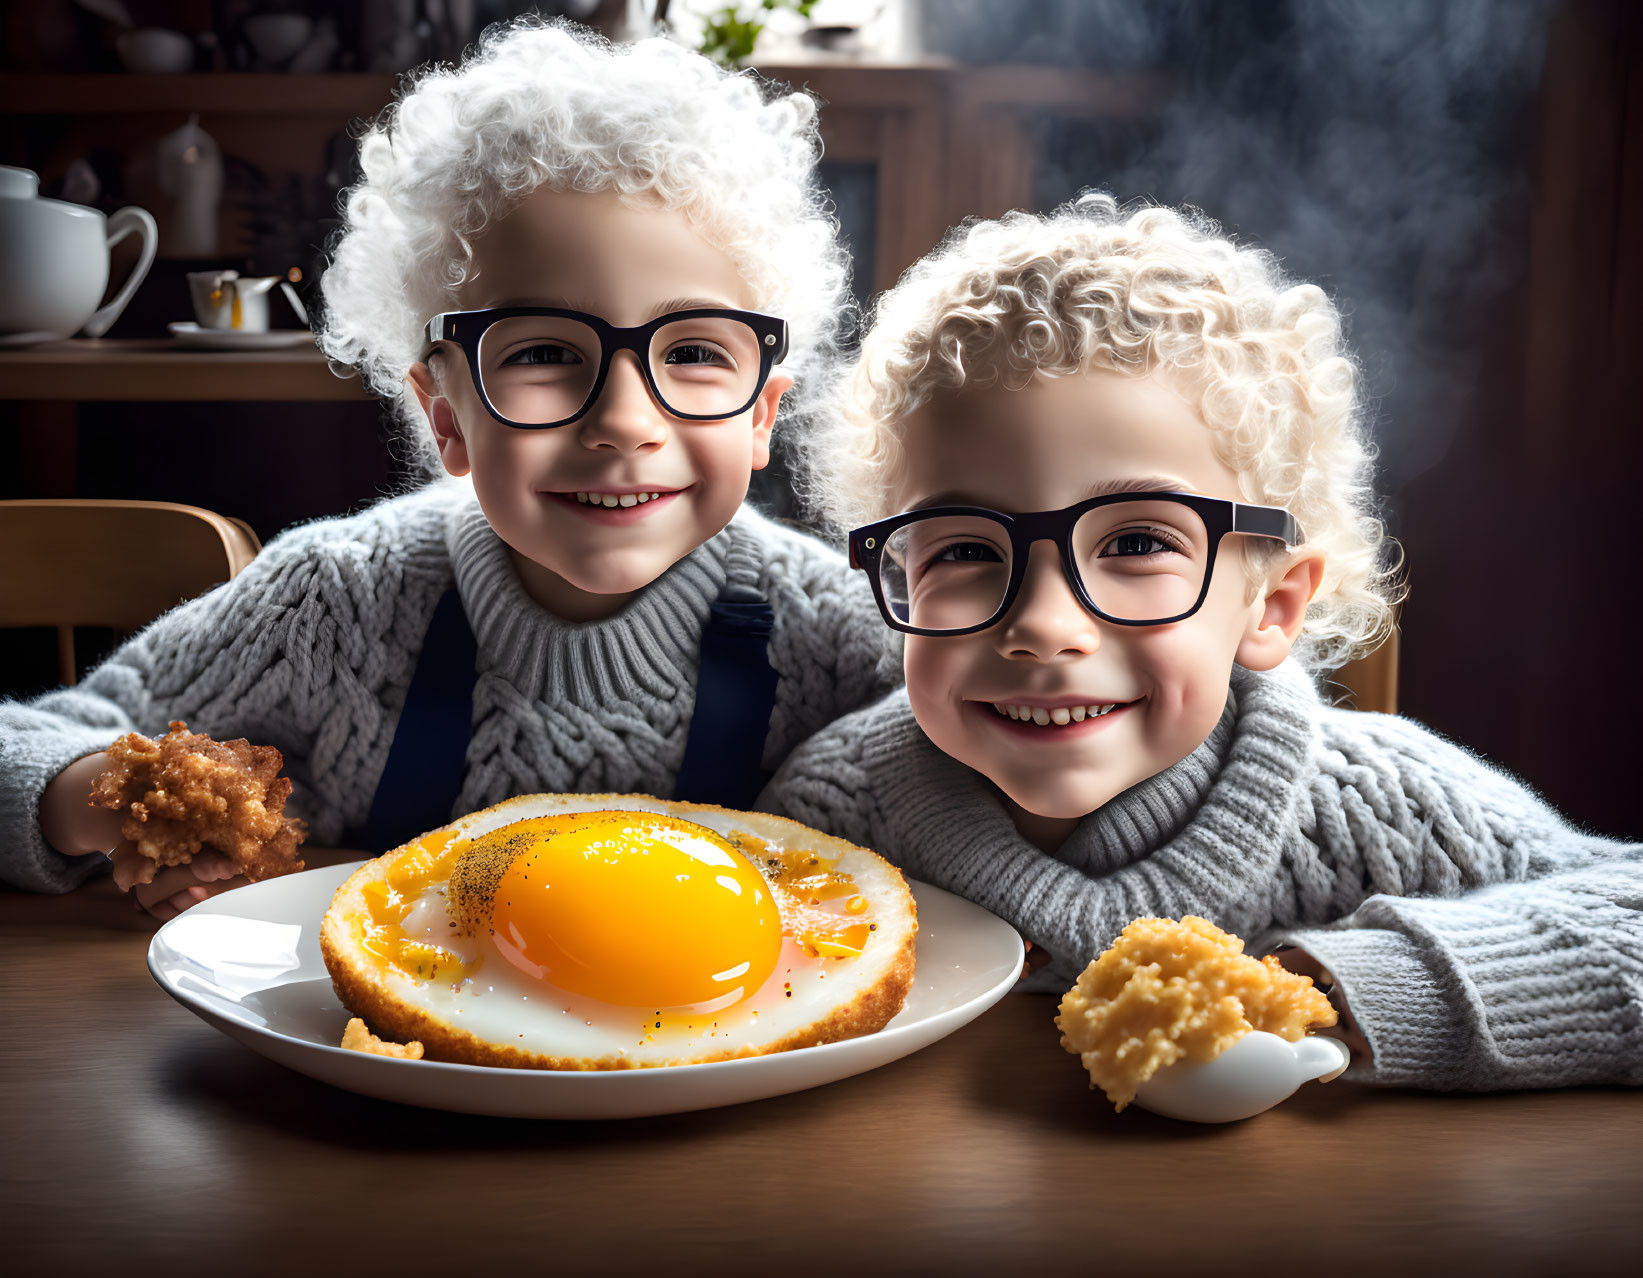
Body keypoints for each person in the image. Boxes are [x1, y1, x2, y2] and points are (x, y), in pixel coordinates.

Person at [3, 19, 895, 918]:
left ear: (761, 415)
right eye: (544, 351)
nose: (625, 422)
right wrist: (116, 797)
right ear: (445, 416)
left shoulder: (831, 634)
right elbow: (26, 741)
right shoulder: (333, 601)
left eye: (696, 351)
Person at [760, 193, 1643, 1091]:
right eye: (962, 551)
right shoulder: (831, 822)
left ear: (1271, 606)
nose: (1041, 624)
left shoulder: (1378, 810)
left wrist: (1339, 988)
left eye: (1138, 544)